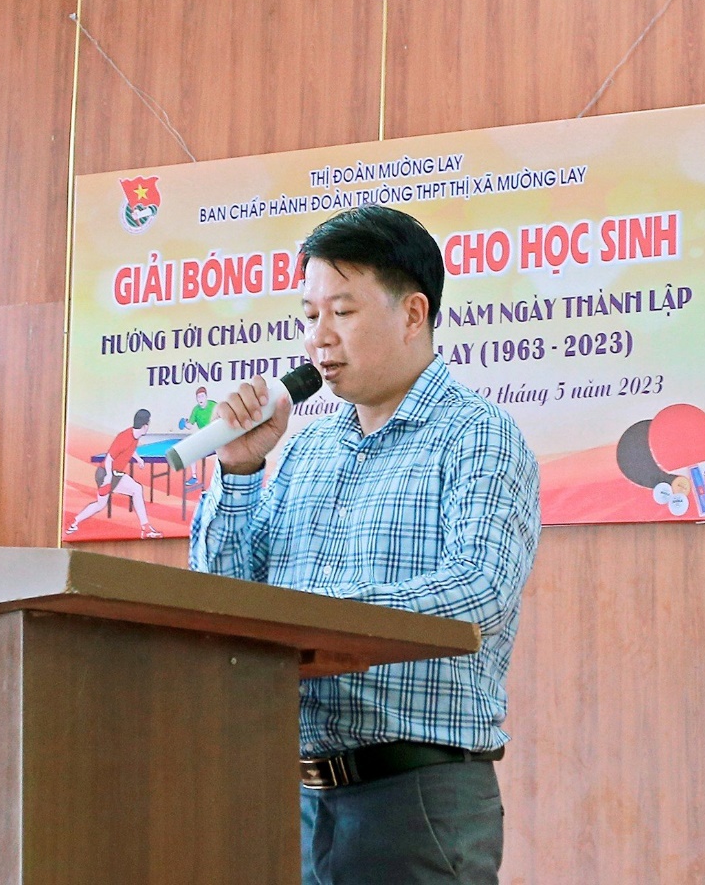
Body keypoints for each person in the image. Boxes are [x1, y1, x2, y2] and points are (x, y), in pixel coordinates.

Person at [189, 206, 541, 884]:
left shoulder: (478, 435)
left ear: (413, 314)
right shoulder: (308, 449)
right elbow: (227, 600)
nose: (318, 338)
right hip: (290, 794)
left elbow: (481, 591)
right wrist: (240, 471)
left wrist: (317, 615)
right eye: (309, 315)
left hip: (415, 796)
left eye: (342, 312)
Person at [64, 409, 161, 539]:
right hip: (106, 474)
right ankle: (146, 528)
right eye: (149, 423)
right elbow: (109, 458)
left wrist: (139, 459)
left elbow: (130, 449)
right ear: (145, 426)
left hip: (114, 474)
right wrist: (108, 477)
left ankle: (74, 522)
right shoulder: (124, 437)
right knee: (133, 491)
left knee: (104, 503)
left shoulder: (135, 435)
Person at [179, 386, 219, 489]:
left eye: (202, 396)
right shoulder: (196, 410)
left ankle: (221, 479)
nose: (200, 399)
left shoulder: (214, 405)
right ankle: (194, 477)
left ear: (206, 397)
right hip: (204, 436)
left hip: (217, 434)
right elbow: (190, 425)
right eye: (198, 397)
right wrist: (185, 424)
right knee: (191, 451)